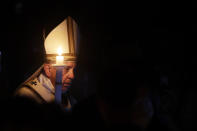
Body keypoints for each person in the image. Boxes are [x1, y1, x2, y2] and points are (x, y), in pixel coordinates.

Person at [14, 16, 80, 111]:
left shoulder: (71, 100)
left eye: (74, 69)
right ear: (48, 69)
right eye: (66, 69)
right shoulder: (27, 96)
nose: (72, 76)